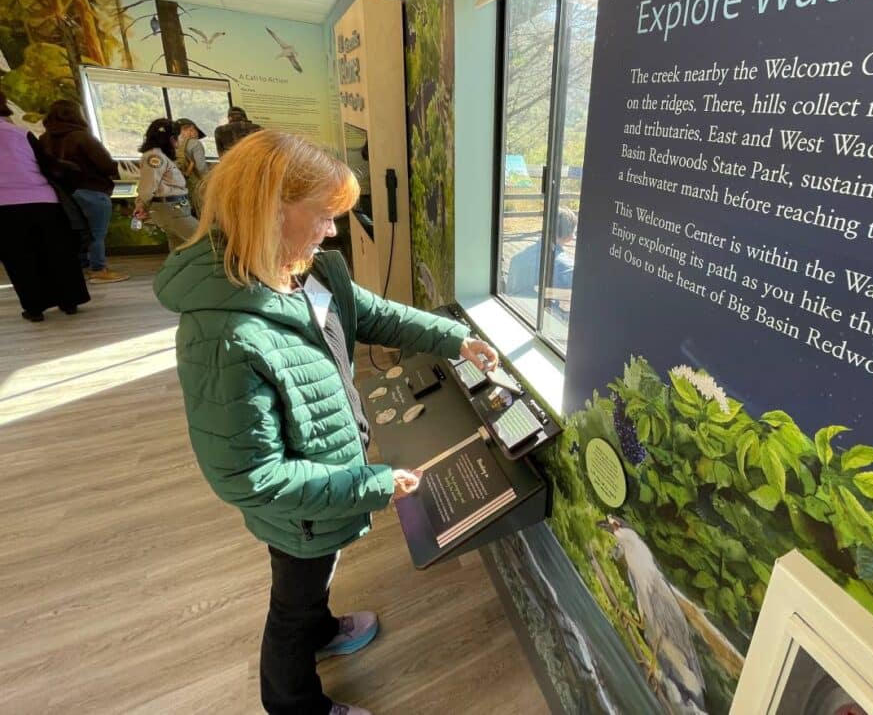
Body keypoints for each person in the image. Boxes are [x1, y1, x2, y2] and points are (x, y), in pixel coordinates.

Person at [153, 131, 499, 715]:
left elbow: (376, 314)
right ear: (271, 210)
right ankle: (293, 702)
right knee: (292, 598)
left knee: (311, 579)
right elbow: (251, 477)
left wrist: (454, 339)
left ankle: (320, 630)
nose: (333, 230)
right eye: (324, 215)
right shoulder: (224, 334)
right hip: (302, 507)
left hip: (324, 490)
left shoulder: (309, 273)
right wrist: (372, 484)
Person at [0, 89, 90, 321]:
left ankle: (34, 308)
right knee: (59, 252)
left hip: (5, 208)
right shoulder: (21, 133)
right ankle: (69, 301)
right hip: (44, 201)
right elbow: (46, 164)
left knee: (20, 258)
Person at [37, 98, 128, 283]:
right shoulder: (82, 137)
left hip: (62, 194)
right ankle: (98, 270)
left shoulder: (43, 139)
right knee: (97, 233)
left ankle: (84, 267)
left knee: (77, 232)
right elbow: (107, 165)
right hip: (92, 190)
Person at [135, 118, 199, 249]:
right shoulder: (154, 157)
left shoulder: (162, 156)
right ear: (170, 138)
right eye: (179, 136)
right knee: (203, 240)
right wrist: (141, 205)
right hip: (171, 209)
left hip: (176, 208)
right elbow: (148, 186)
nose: (181, 140)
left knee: (179, 250)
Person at [505, 207, 577, 318]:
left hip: (517, 315)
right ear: (569, 237)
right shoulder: (568, 269)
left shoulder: (517, 259)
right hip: (547, 321)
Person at [174, 117, 209, 213]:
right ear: (191, 129)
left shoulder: (174, 144)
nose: (197, 135)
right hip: (194, 185)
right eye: (197, 132)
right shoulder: (195, 144)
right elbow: (201, 168)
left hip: (179, 186)